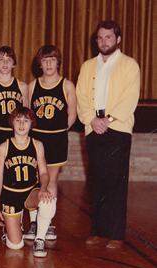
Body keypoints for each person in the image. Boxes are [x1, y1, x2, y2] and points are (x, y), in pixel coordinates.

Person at [76, 20, 140, 249]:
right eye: (100, 38)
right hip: (93, 128)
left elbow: (130, 98)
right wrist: (92, 120)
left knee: (116, 182)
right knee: (98, 181)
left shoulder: (130, 65)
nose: (104, 42)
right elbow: (81, 97)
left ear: (118, 39)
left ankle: (115, 234)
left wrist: (108, 120)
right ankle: (99, 232)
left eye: (109, 37)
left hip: (117, 129)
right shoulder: (87, 66)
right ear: (96, 41)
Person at [27, 45, 76, 241]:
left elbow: (72, 114)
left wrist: (62, 131)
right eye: (44, 60)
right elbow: (28, 113)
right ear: (39, 63)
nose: (48, 63)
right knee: (34, 179)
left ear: (58, 62)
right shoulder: (32, 86)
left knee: (52, 181)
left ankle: (46, 223)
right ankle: (33, 222)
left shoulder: (67, 85)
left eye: (52, 59)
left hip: (56, 137)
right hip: (37, 137)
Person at [0, 107, 56, 257]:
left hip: (29, 192)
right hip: (10, 195)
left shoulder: (37, 145)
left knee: (48, 200)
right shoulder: (4, 147)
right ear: (12, 123)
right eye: (18, 120)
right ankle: (13, 226)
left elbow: (43, 173)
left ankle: (39, 239)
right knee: (15, 246)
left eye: (26, 121)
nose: (21, 124)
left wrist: (44, 188)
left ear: (31, 124)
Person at [0, 46, 29, 147]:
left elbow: (26, 115)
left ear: (14, 64)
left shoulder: (22, 87)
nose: (5, 63)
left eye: (9, 60)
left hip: (16, 134)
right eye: (1, 59)